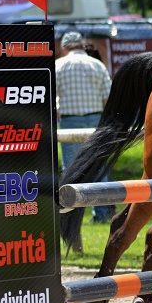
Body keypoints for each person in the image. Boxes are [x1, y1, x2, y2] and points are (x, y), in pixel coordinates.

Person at [56, 31, 114, 223]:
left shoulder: (58, 66)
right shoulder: (97, 65)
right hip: (96, 121)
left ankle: (71, 214)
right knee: (98, 166)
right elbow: (108, 99)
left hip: (69, 122)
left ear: (65, 48)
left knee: (71, 169)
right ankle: (103, 212)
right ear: (82, 45)